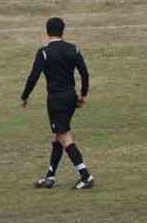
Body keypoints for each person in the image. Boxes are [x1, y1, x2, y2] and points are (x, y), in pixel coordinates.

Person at [21, 17, 94, 189]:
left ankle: (86, 176)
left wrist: (25, 96)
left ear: (47, 32)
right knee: (58, 136)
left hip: (56, 100)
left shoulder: (44, 52)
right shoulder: (73, 49)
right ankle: (50, 176)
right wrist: (83, 95)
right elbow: (85, 73)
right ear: (63, 31)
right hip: (71, 98)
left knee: (64, 136)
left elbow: (33, 77)